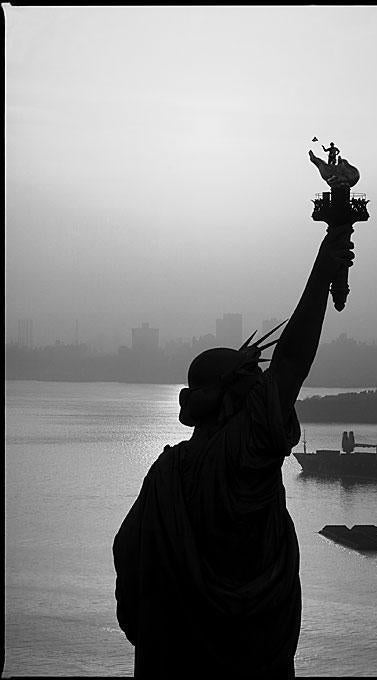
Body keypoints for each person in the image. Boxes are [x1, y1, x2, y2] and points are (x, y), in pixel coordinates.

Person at [113, 223, 355, 679]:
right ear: (229, 397)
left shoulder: (166, 473)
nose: (263, 386)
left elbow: (126, 554)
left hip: (173, 661)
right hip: (253, 656)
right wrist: (323, 269)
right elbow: (291, 360)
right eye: (252, 381)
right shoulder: (245, 453)